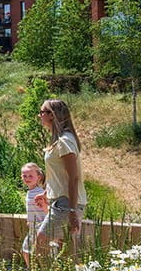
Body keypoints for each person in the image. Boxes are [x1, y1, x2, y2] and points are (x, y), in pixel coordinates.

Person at [34, 99, 88, 259]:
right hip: (60, 201)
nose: (39, 116)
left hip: (66, 203)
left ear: (52, 115)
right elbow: (59, 175)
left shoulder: (64, 141)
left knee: (41, 241)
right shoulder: (59, 140)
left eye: (42, 112)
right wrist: (46, 192)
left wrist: (72, 211)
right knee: (63, 251)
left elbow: (74, 178)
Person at [20, 162, 48, 266]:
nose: (27, 178)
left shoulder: (39, 192)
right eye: (24, 176)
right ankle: (31, 268)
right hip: (33, 227)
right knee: (26, 251)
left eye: (30, 176)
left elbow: (47, 209)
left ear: (39, 177)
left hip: (41, 226)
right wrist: (29, 219)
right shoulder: (29, 192)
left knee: (40, 253)